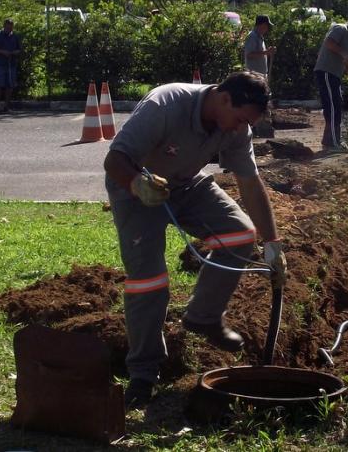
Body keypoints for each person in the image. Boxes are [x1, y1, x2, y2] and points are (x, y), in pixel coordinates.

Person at [103, 71, 287, 408]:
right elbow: (114, 160)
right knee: (149, 281)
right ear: (224, 97)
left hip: (186, 184)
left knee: (239, 233)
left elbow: (249, 182)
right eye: (239, 118)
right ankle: (143, 374)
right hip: (135, 186)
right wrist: (137, 186)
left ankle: (203, 316)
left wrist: (272, 242)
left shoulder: (236, 127)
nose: (238, 128)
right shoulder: (166, 103)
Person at [314, 16, 348, 151]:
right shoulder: (340, 28)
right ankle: (332, 143)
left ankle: (332, 140)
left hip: (335, 76)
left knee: (336, 106)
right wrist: (342, 53)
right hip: (326, 72)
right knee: (332, 108)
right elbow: (329, 43)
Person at [0, 19, 21, 113]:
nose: (9, 29)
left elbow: (19, 49)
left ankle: (7, 107)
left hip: (11, 64)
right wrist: (2, 52)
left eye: (11, 27)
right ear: (4, 26)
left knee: (9, 86)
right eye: (7, 27)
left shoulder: (15, 36)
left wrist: (15, 52)